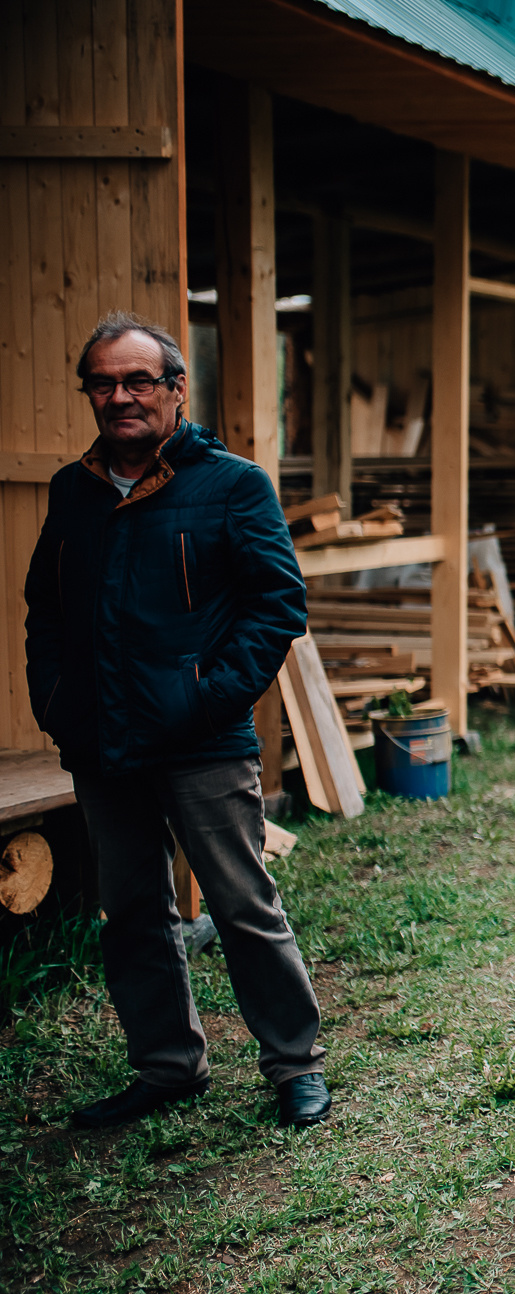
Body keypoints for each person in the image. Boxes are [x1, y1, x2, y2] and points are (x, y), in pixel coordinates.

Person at [24, 313, 328, 1130]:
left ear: (176, 389)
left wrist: (206, 697)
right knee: (132, 913)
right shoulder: (72, 490)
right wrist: (55, 700)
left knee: (241, 904)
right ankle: (167, 1066)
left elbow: (277, 606)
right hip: (102, 741)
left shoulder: (233, 485)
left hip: (202, 742)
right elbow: (44, 608)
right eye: (103, 383)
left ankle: (295, 1064)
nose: (121, 396)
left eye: (138, 380)